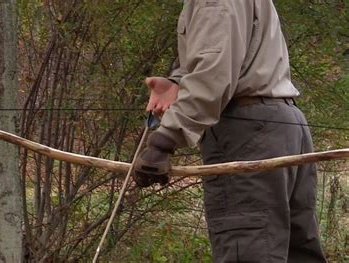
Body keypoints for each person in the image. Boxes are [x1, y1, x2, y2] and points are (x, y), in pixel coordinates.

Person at [132, 0, 327, 262]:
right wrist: (177, 83)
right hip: (280, 124)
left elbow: (214, 74)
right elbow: (227, 56)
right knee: (296, 253)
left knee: (248, 251)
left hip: (248, 132)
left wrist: (164, 140)